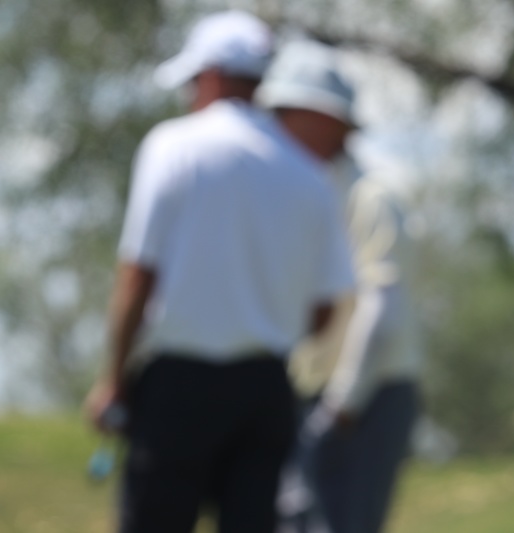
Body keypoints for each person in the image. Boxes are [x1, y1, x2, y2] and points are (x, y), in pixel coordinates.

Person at [84, 12, 355, 533]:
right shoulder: (309, 173)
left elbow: (138, 275)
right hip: (266, 390)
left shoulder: (172, 146)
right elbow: (324, 311)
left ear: (210, 75)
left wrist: (113, 380)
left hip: (178, 386)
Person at [256, 41, 425, 533]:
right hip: (317, 396)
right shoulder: (306, 196)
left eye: (288, 112)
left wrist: (341, 405)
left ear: (328, 120)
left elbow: (383, 309)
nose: (277, 126)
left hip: (366, 396)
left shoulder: (371, 197)